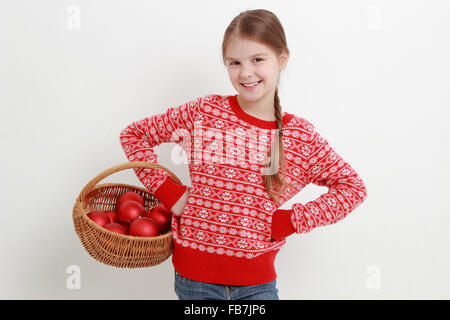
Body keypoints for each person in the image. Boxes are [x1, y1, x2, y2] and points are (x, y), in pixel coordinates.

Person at [119, 9, 368, 300]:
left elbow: (352, 187)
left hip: (257, 286)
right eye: (234, 63)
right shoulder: (204, 112)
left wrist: (289, 221)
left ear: (282, 59)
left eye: (257, 59)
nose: (245, 72)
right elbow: (134, 135)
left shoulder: (300, 136)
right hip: (195, 281)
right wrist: (170, 192)